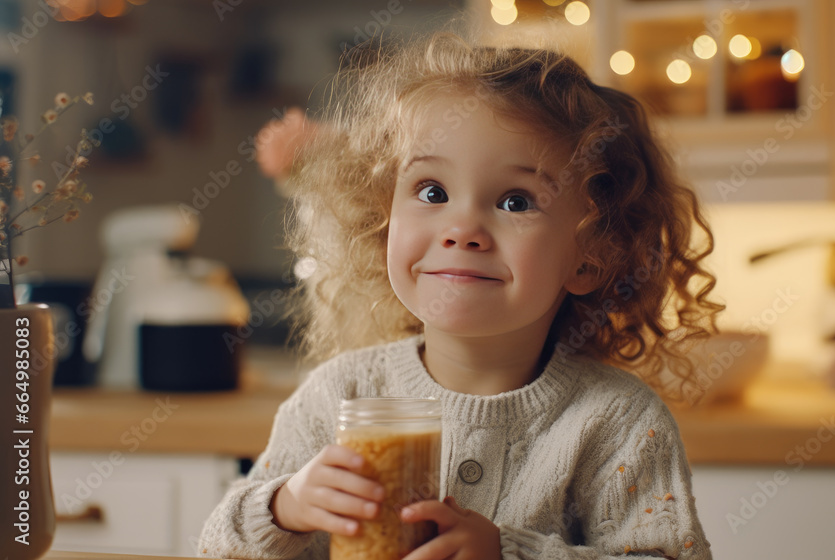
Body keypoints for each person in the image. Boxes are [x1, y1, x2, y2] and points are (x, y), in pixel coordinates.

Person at [199, 27, 723, 560]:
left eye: (516, 202)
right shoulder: (339, 398)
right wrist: (285, 508)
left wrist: (507, 554)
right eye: (432, 192)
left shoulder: (617, 421)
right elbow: (218, 548)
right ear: (383, 222)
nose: (462, 227)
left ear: (591, 256)